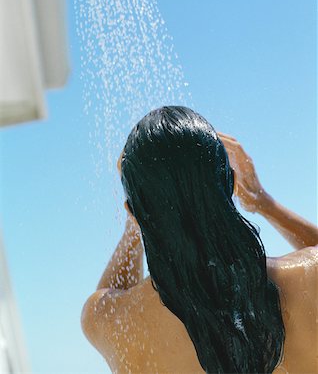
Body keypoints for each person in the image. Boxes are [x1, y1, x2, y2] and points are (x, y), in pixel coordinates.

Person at [81, 106, 317, 374]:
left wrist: (137, 226)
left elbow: (111, 295)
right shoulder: (308, 279)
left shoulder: (115, 323)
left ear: (134, 213)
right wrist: (263, 202)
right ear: (230, 182)